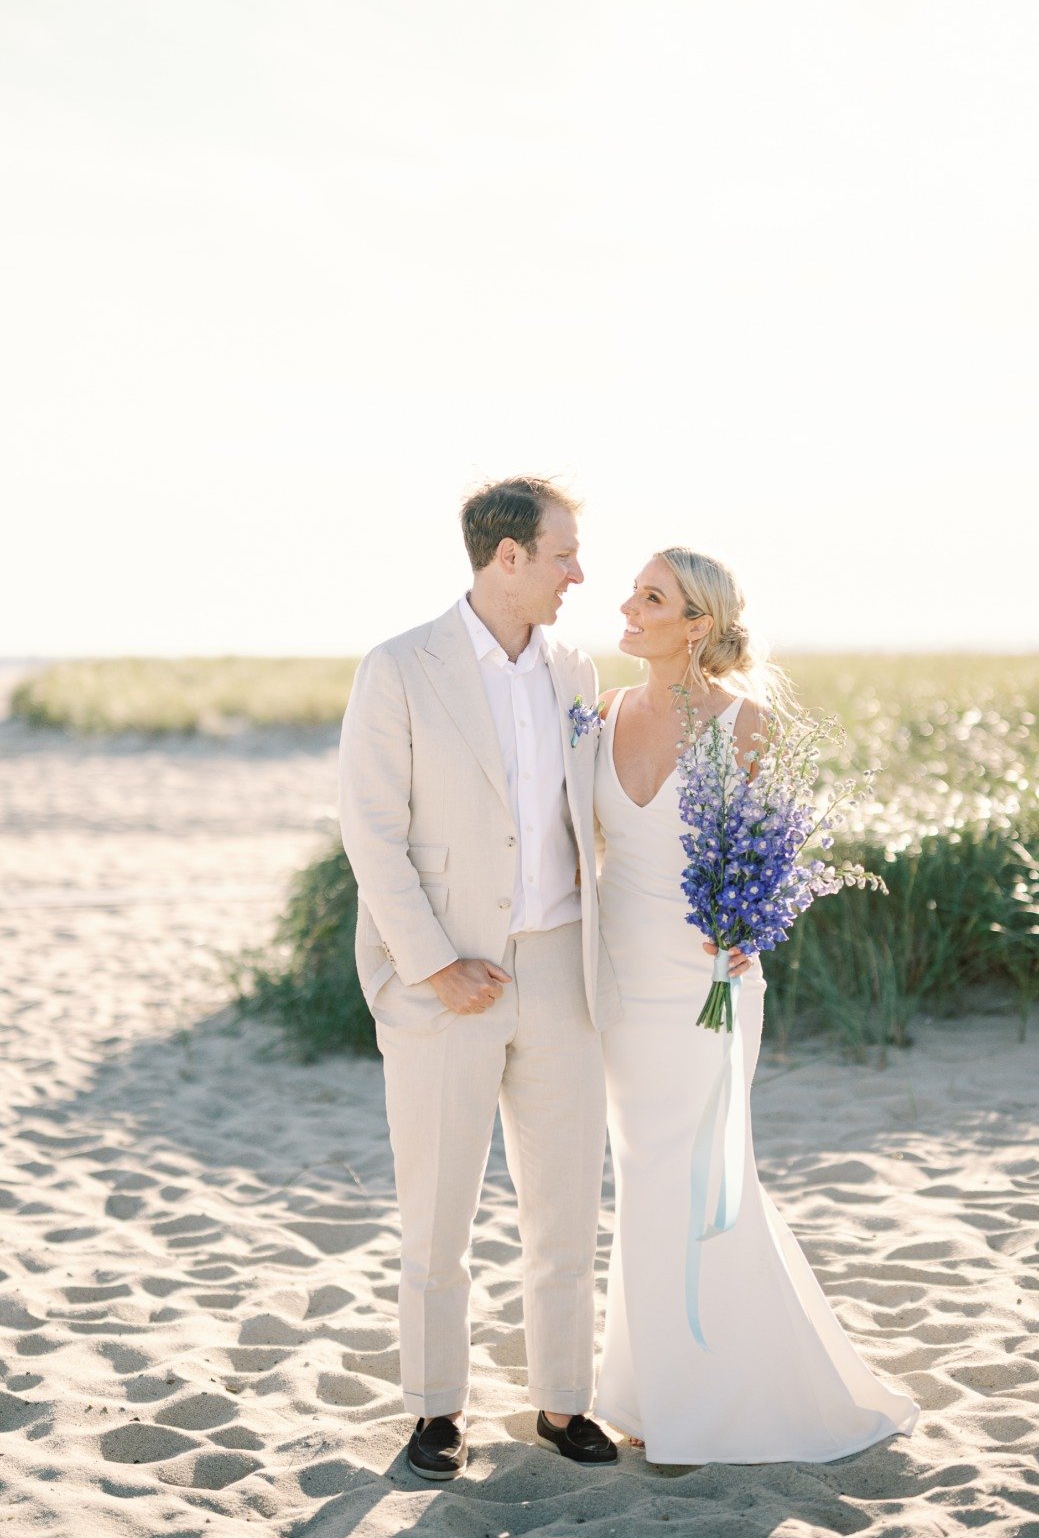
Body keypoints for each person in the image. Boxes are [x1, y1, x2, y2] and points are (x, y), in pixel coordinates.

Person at [593, 546, 920, 1464]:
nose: (627, 605)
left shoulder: (746, 725)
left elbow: (769, 860)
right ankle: (647, 1389)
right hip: (619, 984)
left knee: (699, 1178)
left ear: (695, 624)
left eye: (649, 597)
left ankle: (713, 1401)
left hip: (708, 986)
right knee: (641, 1176)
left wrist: (743, 934)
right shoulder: (602, 716)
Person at [338, 477, 621, 1481]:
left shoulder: (577, 671)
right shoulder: (399, 668)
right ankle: (434, 1412)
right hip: (444, 976)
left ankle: (563, 1403)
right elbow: (370, 830)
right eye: (563, 554)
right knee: (438, 1205)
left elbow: (598, 821)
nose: (577, 573)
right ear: (508, 558)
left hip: (562, 971)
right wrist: (431, 964)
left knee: (564, 1204)